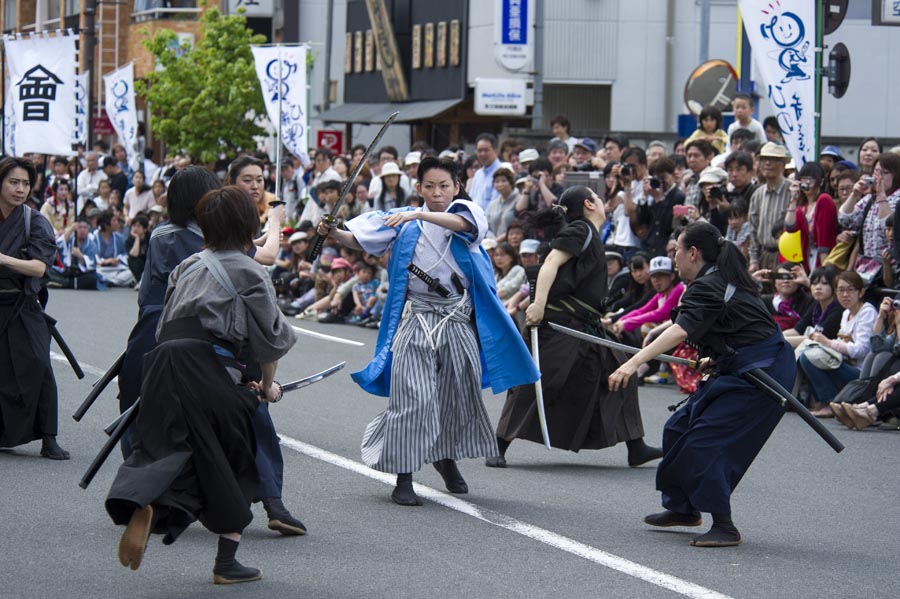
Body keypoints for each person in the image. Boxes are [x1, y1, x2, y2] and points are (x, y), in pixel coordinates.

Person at [316, 156, 538, 506]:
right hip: (416, 318)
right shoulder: (403, 222)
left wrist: (418, 214)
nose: (437, 193)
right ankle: (404, 476)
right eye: (429, 186)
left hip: (456, 318)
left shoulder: (467, 212)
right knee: (412, 396)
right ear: (418, 188)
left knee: (456, 396)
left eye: (444, 186)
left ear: (457, 187)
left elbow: (462, 225)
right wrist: (334, 232)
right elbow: (360, 240)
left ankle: (444, 458)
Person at [105, 186, 296, 584]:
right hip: (208, 368)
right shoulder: (251, 271)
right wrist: (264, 386)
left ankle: (151, 503)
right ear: (248, 224)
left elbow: (164, 327)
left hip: (161, 367)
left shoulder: (187, 266)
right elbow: (271, 341)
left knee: (177, 447)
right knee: (236, 458)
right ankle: (226, 563)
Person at [609, 221, 796, 547]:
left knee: (706, 442)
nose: (674, 258)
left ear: (692, 253)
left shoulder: (709, 284)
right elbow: (736, 328)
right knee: (679, 427)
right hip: (741, 364)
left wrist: (633, 361)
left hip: (764, 371)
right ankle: (683, 509)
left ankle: (724, 525)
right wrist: (718, 356)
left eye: (676, 252)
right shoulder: (716, 282)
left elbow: (681, 330)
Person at [492, 186, 662, 468]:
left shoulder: (589, 234)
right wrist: (538, 305)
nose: (602, 201)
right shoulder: (580, 231)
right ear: (589, 204)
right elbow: (550, 264)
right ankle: (498, 444)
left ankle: (636, 445)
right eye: (597, 197)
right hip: (560, 325)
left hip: (586, 327)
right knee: (538, 383)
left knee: (623, 372)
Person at [0, 156, 69, 460]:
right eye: (13, 182)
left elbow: (40, 268)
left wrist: (2, 259)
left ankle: (48, 437)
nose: (20, 189)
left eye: (25, 183)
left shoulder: (35, 220)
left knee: (40, 365)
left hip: (22, 304)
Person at [796, 271, 876, 408]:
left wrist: (827, 342)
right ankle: (827, 401)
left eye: (850, 290)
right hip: (845, 363)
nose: (845, 295)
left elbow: (861, 350)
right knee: (806, 355)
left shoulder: (867, 312)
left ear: (861, 292)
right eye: (840, 290)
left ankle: (829, 402)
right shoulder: (846, 313)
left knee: (809, 358)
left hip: (861, 372)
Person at [784, 162, 838, 270]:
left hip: (824, 258)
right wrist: (793, 199)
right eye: (803, 179)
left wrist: (824, 269)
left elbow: (824, 237)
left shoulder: (824, 200)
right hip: (808, 259)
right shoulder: (802, 208)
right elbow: (790, 228)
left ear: (821, 181)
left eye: (810, 179)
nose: (806, 183)